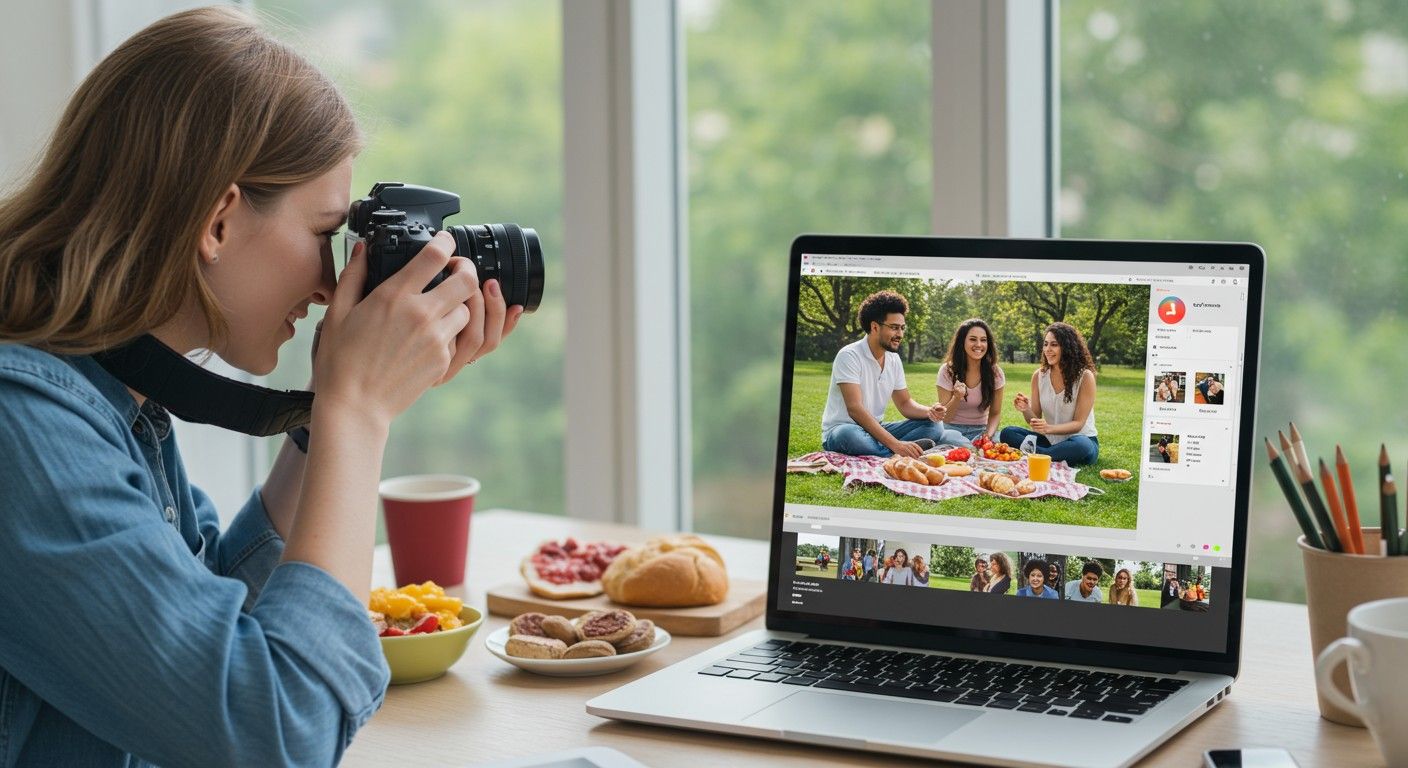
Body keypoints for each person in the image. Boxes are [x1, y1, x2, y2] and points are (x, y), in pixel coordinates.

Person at [0, 9, 525, 766]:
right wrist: (357, 414)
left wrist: (326, 414)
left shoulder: (104, 392)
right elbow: (277, 732)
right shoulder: (24, 428)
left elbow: (206, 636)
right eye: (324, 233)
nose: (331, 283)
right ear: (218, 221)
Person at [819, 290, 965, 457]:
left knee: (934, 426)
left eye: (902, 328)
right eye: (894, 328)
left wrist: (929, 411)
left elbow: (905, 403)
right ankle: (895, 451)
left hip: (876, 429)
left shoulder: (894, 359)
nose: (900, 334)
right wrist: (895, 444)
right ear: (875, 327)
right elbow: (855, 409)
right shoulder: (849, 355)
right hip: (843, 430)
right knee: (850, 436)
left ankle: (885, 451)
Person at [1001, 322, 1100, 466]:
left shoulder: (1085, 377)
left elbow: (1078, 424)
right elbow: (1034, 420)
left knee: (1082, 445)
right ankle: (1047, 454)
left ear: (1067, 347)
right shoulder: (1039, 376)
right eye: (1046, 344)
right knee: (1008, 432)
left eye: (1054, 345)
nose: (1048, 349)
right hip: (1050, 441)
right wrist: (1026, 409)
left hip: (1080, 440)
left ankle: (1036, 454)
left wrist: (1048, 428)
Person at [935, 318, 1005, 445]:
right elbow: (945, 418)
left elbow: (995, 413)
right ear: (962, 342)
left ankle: (969, 448)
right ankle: (970, 448)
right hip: (952, 430)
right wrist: (956, 398)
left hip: (982, 430)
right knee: (948, 437)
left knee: (1000, 439)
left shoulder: (996, 373)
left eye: (983, 340)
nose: (979, 344)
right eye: (973, 339)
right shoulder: (947, 371)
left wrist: (987, 436)